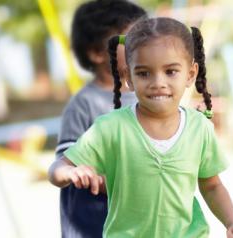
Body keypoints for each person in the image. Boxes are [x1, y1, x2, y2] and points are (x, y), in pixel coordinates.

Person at [49, 17, 233, 238]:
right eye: (144, 73)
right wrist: (70, 171)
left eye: (171, 71)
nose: (158, 82)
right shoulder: (110, 128)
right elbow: (56, 170)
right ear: (128, 77)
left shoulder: (199, 128)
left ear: (190, 74)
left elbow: (212, 186)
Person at [54, 1, 147, 237]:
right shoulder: (84, 104)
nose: (144, 45)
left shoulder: (150, 95)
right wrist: (75, 173)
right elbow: (61, 166)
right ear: (96, 53)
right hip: (96, 221)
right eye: (131, 39)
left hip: (141, 218)